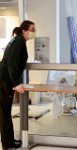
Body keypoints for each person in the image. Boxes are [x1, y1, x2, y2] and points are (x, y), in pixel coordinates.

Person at [0, 20, 36, 150]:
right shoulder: (19, 41)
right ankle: (7, 145)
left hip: (5, 79)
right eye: (32, 29)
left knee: (6, 112)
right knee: (4, 113)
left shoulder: (17, 40)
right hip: (4, 80)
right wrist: (17, 83)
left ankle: (10, 141)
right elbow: (11, 65)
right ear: (25, 30)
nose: (34, 32)